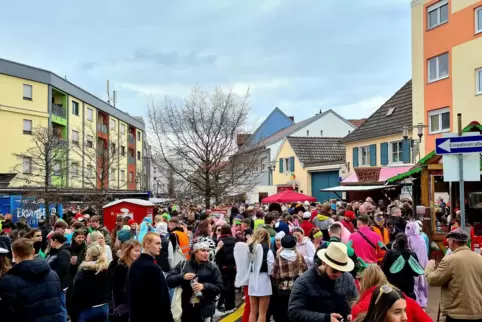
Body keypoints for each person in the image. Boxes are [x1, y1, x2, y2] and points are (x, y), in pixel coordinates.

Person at [288, 242, 358, 322]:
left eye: (342, 271)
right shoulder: (303, 281)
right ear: (324, 263)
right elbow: (294, 312)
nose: (339, 274)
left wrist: (350, 314)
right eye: (335, 270)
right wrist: (326, 318)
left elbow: (355, 301)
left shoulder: (347, 278)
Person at [0, 238, 66, 321]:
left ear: (14, 254)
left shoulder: (10, 280)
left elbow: (8, 312)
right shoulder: (52, 274)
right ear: (33, 251)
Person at [425, 228, 482, 321]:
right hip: (478, 311)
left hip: (458, 313)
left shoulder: (450, 260)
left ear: (452, 241)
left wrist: (430, 266)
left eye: (448, 240)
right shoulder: (479, 258)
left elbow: (433, 280)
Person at [352, 265, 431, 322]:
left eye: (405, 310)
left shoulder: (358, 307)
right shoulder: (407, 301)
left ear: (363, 283)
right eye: (397, 312)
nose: (405, 318)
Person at [167, 242, 223, 322]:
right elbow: (169, 280)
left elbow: (220, 286)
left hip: (205, 309)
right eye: (203, 250)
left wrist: (204, 286)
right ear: (195, 252)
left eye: (208, 251)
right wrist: (182, 277)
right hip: (185, 309)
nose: (206, 253)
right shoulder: (183, 264)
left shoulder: (212, 267)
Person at [128, 232, 173, 322]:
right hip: (153, 316)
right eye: (157, 243)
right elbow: (163, 298)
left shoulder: (135, 265)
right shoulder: (154, 268)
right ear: (147, 244)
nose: (160, 247)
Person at [70, 243, 110, 322]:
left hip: (87, 309)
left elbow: (75, 295)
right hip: (104, 306)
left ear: (89, 256)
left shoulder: (83, 272)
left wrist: (73, 315)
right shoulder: (107, 270)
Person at [271, 234, 307, 322]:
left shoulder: (279, 257)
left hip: (284, 288)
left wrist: (276, 284)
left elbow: (275, 275)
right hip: (298, 287)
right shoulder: (299, 255)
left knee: (284, 312)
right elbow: (305, 270)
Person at [382, 233, 423, 300]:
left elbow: (384, 270)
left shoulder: (390, 253)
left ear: (396, 241)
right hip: (408, 288)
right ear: (407, 242)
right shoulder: (412, 254)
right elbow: (416, 273)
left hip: (394, 287)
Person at [108, 240, 141, 322]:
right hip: (122, 307)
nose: (138, 253)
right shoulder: (119, 267)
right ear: (127, 250)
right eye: (136, 251)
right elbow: (118, 290)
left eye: (139, 251)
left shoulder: (135, 265)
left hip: (132, 306)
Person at [247, 228, 274, 322]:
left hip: (252, 278)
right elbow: (271, 267)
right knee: (262, 312)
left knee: (253, 311)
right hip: (264, 279)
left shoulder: (249, 248)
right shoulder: (267, 249)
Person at [214, 224, 238, 317]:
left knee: (224, 286)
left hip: (223, 267)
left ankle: (222, 305)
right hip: (233, 266)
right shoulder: (234, 240)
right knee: (231, 286)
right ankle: (231, 305)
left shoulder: (219, 241)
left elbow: (217, 255)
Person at [405, 222, 428, 308]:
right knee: (422, 284)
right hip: (423, 264)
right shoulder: (422, 238)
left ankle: (417, 302)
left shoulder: (408, 239)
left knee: (414, 284)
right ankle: (423, 301)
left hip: (413, 264)